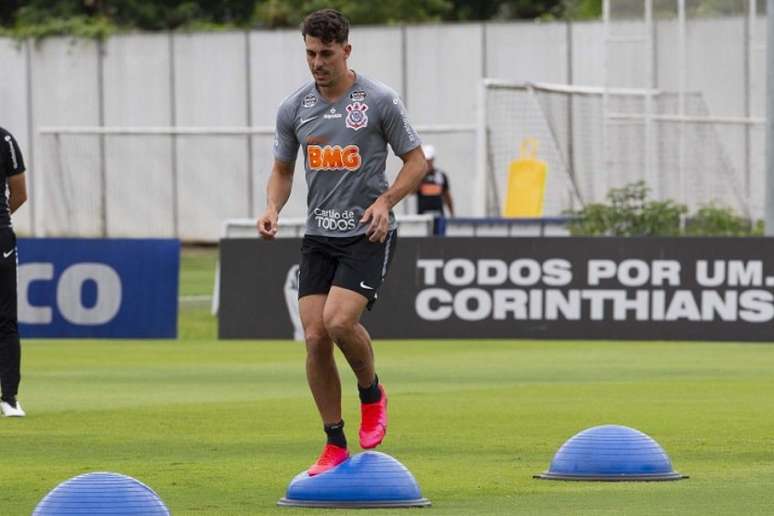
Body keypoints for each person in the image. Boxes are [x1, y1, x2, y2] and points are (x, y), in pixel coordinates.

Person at [257, 9, 426, 476]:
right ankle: (334, 442)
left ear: (346, 51)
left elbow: (415, 162)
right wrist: (272, 208)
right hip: (319, 235)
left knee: (336, 322)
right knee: (313, 338)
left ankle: (371, 393)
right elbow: (283, 170)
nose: (317, 63)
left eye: (326, 53)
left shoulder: (379, 100)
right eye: (310, 53)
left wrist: (386, 201)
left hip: (366, 232)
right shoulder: (294, 108)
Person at [0, 127, 28, 417]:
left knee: (6, 318)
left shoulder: (4, 140)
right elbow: (19, 194)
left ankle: (9, 397)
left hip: (1, 238)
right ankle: (10, 401)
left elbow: (19, 194)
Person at [415, 144, 454, 216]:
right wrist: (421, 175)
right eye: (426, 160)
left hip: (438, 214)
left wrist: (452, 213)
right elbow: (411, 192)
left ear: (433, 160)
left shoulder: (441, 176)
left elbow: (447, 195)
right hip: (423, 215)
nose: (428, 163)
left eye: (429, 160)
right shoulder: (418, 176)